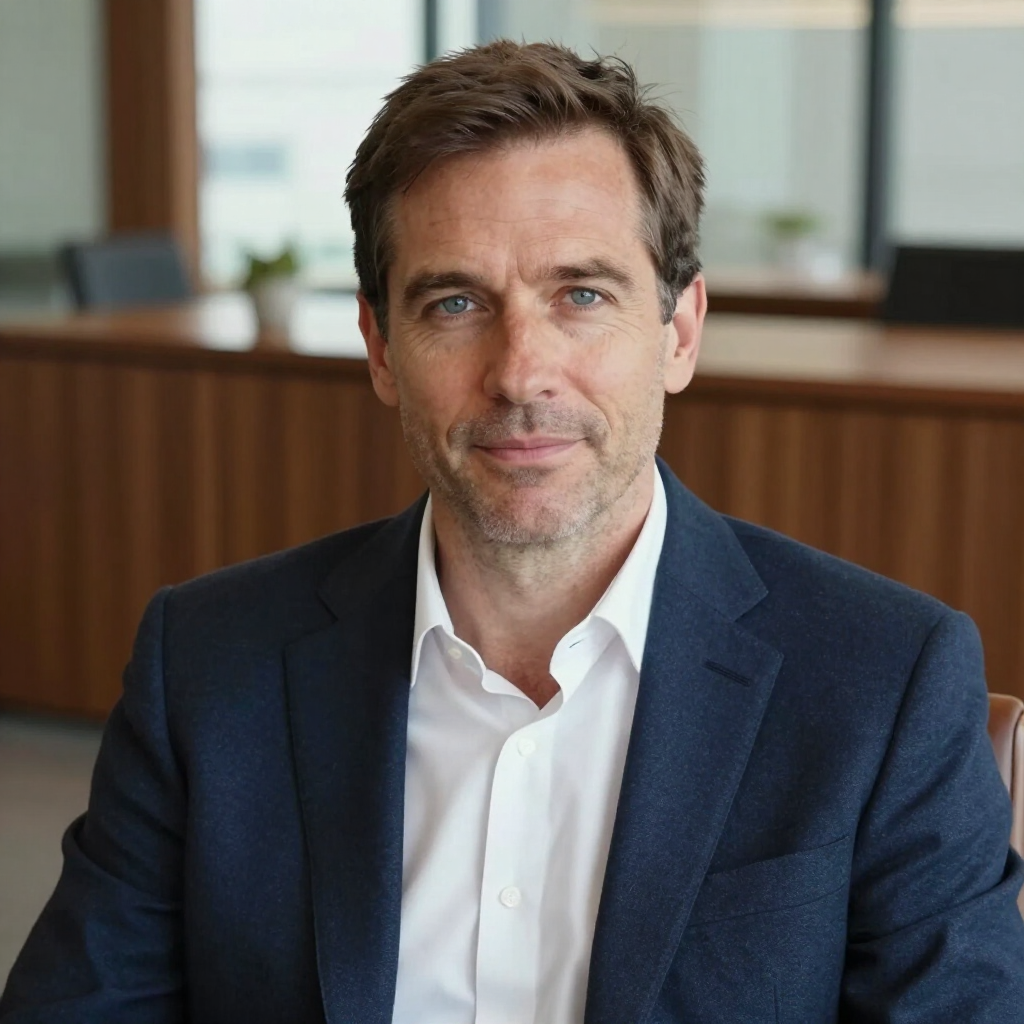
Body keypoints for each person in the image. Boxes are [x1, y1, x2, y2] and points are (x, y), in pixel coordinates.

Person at [3, 39, 1023, 1024]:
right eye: (455, 303)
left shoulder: (883, 679)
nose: (519, 371)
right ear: (381, 348)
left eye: (580, 294)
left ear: (678, 331)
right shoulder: (208, 664)